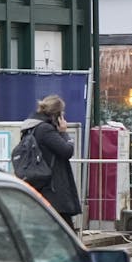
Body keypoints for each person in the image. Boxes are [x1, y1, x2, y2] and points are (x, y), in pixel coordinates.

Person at [19, 95, 81, 226]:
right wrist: (64, 133)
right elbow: (67, 151)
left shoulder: (32, 128)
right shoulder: (45, 130)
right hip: (53, 190)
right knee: (65, 234)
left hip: (42, 186)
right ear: (58, 115)